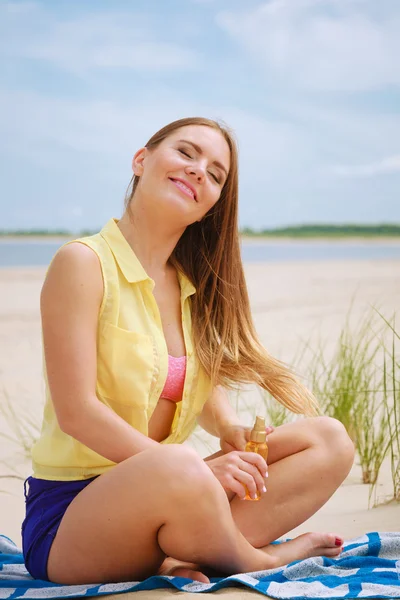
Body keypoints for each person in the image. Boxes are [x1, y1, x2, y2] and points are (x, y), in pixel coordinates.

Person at [21, 117, 355, 585]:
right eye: (186, 153)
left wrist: (230, 428)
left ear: (210, 207)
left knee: (329, 439)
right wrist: (191, 473)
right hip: (72, 522)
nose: (200, 171)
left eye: (216, 174)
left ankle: (182, 553)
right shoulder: (82, 262)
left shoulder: (191, 286)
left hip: (172, 493)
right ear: (141, 161)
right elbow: (77, 412)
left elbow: (192, 376)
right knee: (180, 463)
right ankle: (257, 559)